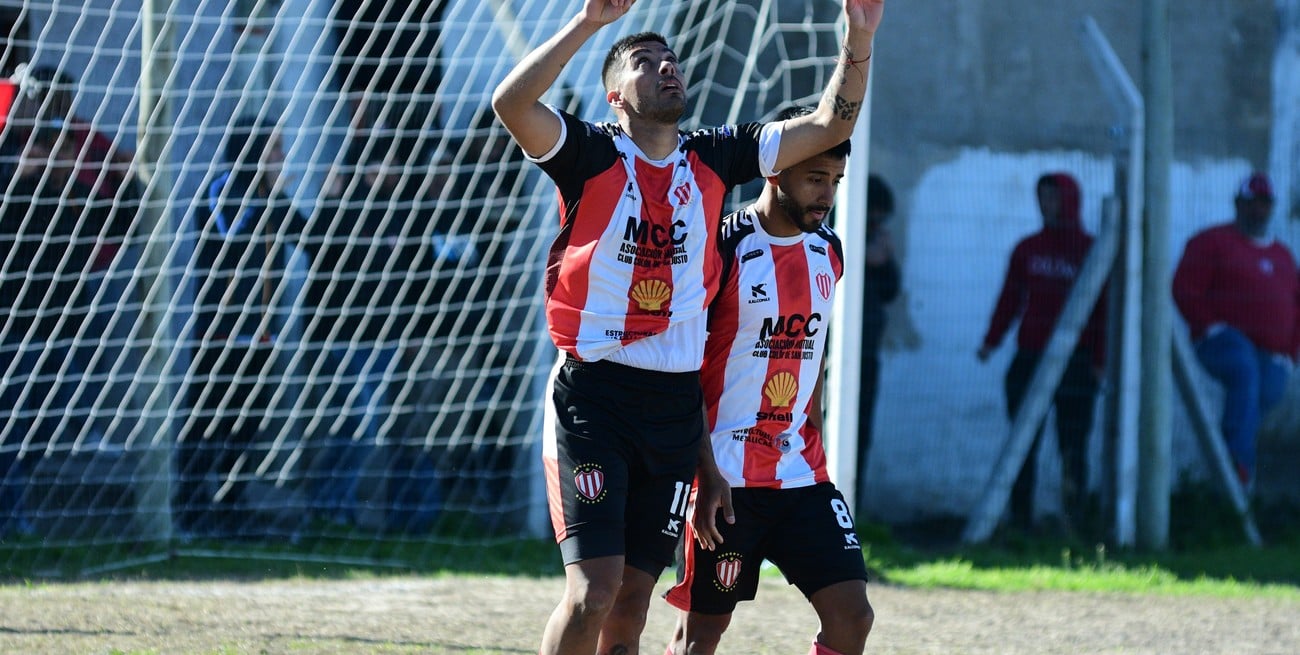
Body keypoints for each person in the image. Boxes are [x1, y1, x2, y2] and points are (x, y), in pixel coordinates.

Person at [490, 0, 884, 652]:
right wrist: (590, 22)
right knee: (594, 591)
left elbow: (824, 124)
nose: (666, 66)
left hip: (673, 405)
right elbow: (511, 104)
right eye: (645, 61)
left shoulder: (711, 156)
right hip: (595, 395)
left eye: (670, 58)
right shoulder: (590, 151)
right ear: (615, 94)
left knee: (634, 604)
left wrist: (859, 38)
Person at [662, 105, 873, 655]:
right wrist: (701, 470)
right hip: (726, 479)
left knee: (853, 616)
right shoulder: (723, 247)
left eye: (835, 181)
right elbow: (681, 362)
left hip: (802, 475)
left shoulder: (829, 250)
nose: (827, 195)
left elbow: (814, 360)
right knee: (700, 636)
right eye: (815, 178)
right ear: (775, 169)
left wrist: (817, 446)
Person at [179, 115, 310, 537]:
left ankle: (232, 508)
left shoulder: (269, 197)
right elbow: (228, 231)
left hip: (260, 336)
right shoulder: (223, 189)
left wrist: (330, 201)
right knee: (206, 424)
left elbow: (312, 239)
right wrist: (269, 198)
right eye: (273, 148)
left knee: (246, 428)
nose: (282, 156)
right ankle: (190, 510)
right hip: (220, 335)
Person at [0, 105, 110, 537]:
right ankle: (11, 515)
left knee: (48, 421)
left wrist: (135, 168)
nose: (68, 156)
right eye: (58, 148)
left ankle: (16, 500)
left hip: (65, 333)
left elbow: (130, 217)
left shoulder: (79, 196)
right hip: (17, 331)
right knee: (12, 426)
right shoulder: (21, 194)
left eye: (70, 148)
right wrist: (16, 179)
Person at [976, 172, 1106, 536]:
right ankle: (1020, 523)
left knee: (1073, 446)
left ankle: (1074, 526)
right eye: (1042, 198)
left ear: (1069, 201)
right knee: (1022, 444)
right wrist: (992, 341)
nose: (1047, 205)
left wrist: (1099, 361)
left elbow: (1103, 312)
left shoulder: (1090, 250)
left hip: (1076, 364)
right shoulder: (1027, 249)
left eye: (1054, 198)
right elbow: (1010, 299)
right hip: (1030, 357)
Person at [1171, 172, 1300, 492]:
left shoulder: (1282, 255)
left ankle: (1231, 478)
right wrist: (1210, 325)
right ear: (1238, 204)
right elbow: (1184, 288)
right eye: (1251, 203)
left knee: (1263, 393)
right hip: (1223, 340)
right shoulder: (1211, 242)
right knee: (1244, 371)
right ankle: (1237, 466)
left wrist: (1291, 354)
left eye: (1264, 203)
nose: (1258, 210)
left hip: (1273, 353)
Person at [854, 173, 901, 510]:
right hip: (825, 354)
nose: (878, 222)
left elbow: (890, 292)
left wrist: (883, 262)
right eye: (875, 215)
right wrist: (860, 260)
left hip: (867, 353)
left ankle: (850, 498)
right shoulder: (834, 236)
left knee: (861, 432)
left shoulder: (877, 241)